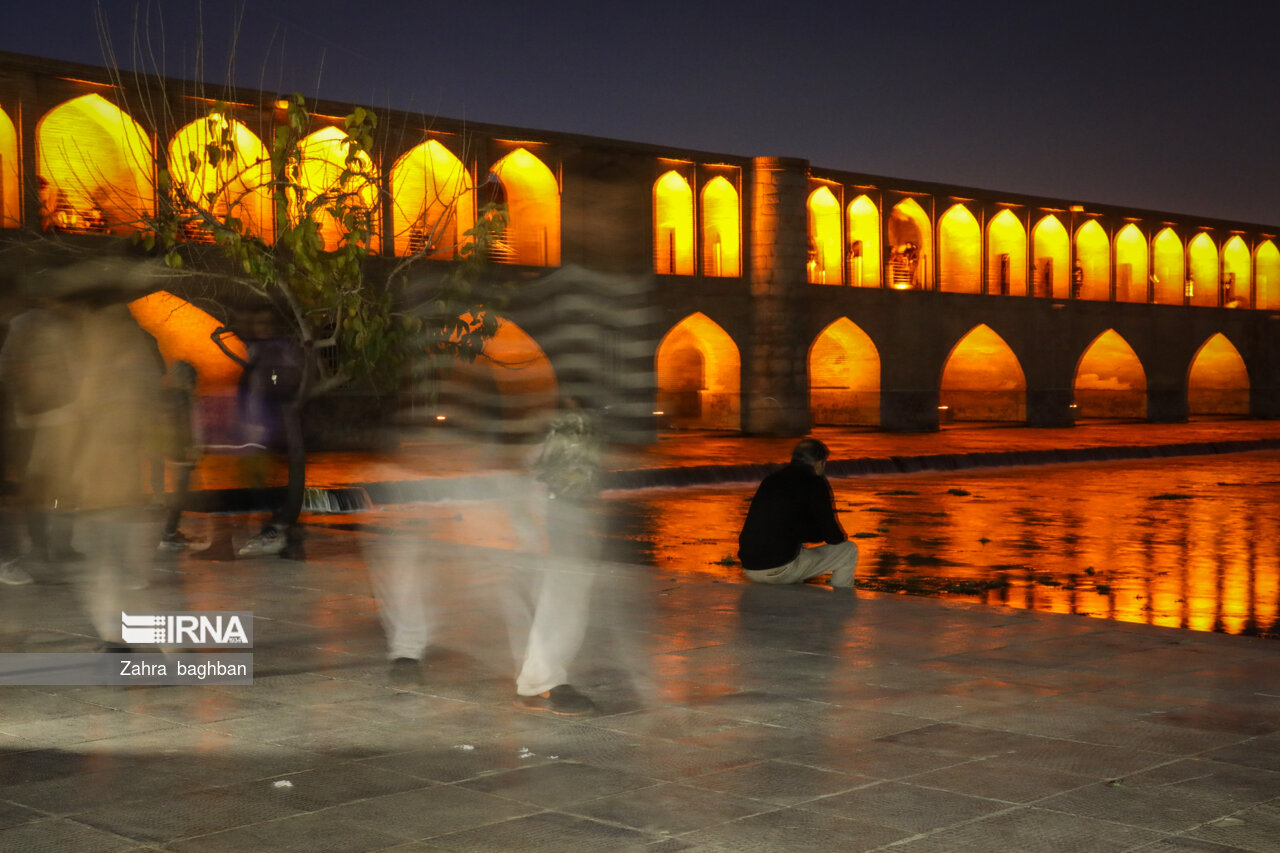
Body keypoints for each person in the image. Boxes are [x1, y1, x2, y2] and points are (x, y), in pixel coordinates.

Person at [737, 438, 858, 587]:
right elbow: (833, 537)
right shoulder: (815, 482)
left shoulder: (771, 480)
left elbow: (786, 525)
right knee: (848, 550)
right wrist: (836, 536)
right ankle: (841, 597)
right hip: (779, 570)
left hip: (749, 567)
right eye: (824, 462)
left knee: (796, 551)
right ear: (818, 463)